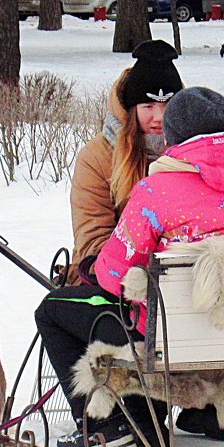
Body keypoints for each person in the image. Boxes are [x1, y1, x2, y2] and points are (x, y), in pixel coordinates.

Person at [36, 87, 224, 447]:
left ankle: (110, 424)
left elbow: (113, 277)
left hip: (173, 343)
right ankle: (209, 413)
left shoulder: (156, 192)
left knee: (54, 309)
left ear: (171, 136)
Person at [67, 39, 184, 285]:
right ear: (130, 110)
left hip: (183, 278)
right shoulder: (96, 158)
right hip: (111, 279)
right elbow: (93, 239)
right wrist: (142, 278)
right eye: (148, 106)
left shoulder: (191, 152)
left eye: (168, 105)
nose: (159, 117)